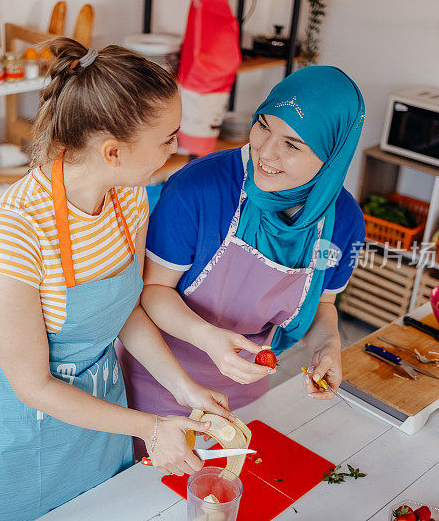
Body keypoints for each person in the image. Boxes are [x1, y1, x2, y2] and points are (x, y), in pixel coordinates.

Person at [0, 38, 233, 521]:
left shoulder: (128, 197)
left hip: (98, 416)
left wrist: (185, 390)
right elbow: (33, 385)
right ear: (113, 151)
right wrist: (150, 427)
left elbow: (125, 310)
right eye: (167, 139)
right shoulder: (11, 230)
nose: (177, 148)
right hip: (18, 435)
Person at [121, 66, 367, 455]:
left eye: (293, 145)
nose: (266, 151)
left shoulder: (345, 221)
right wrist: (208, 340)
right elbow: (152, 291)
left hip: (248, 390)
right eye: (264, 126)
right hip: (161, 381)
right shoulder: (200, 186)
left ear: (332, 155)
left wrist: (327, 346)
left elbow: (321, 305)